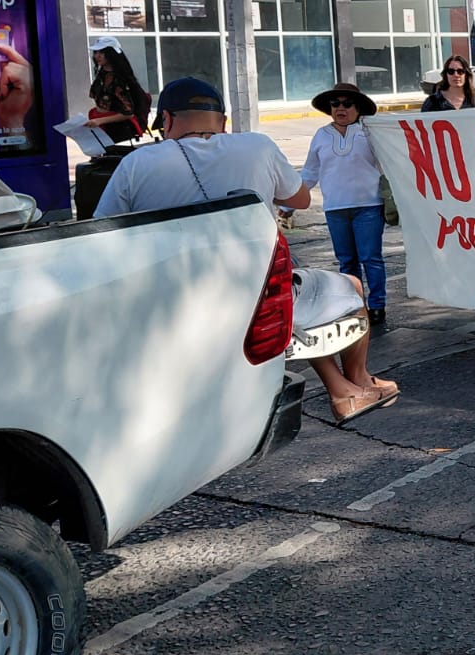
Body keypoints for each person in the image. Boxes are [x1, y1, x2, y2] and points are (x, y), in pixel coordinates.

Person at [93, 77, 397, 421]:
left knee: (294, 287)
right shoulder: (257, 147)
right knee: (349, 287)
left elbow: (102, 232)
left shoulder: (137, 163)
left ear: (167, 119)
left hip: (173, 299)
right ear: (221, 121)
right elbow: (300, 198)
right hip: (257, 294)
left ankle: (347, 387)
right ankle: (350, 385)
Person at [301, 82, 388, 327]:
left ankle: (378, 305)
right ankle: (354, 305)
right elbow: (309, 172)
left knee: (371, 257)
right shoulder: (321, 135)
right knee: (346, 260)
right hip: (335, 208)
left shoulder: (370, 132)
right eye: (335, 103)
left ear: (358, 108)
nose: (341, 108)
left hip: (369, 206)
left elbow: (393, 161)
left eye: (347, 103)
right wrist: (286, 204)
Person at [85, 36, 152, 142]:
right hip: (104, 127)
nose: (97, 56)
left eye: (101, 52)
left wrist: (99, 121)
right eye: (96, 52)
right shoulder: (101, 75)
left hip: (119, 131)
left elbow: (128, 113)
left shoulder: (119, 79)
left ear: (111, 53)